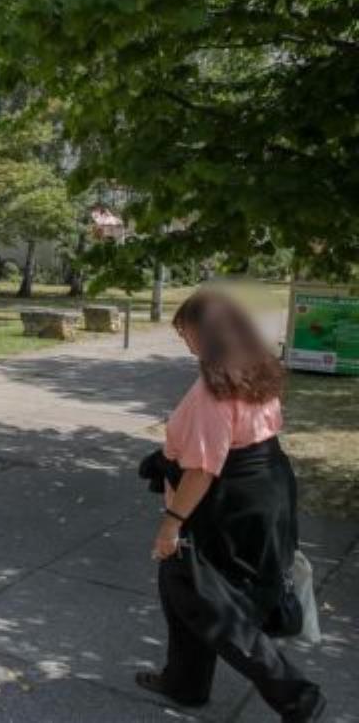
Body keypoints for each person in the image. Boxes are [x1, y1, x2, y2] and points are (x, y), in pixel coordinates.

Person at [136, 290, 324, 722]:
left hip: (225, 501)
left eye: (186, 331)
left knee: (203, 596)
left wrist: (170, 524)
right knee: (184, 588)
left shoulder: (213, 390)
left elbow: (203, 469)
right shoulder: (253, 370)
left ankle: (298, 697)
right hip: (263, 489)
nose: (184, 340)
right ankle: (185, 684)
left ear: (210, 333)